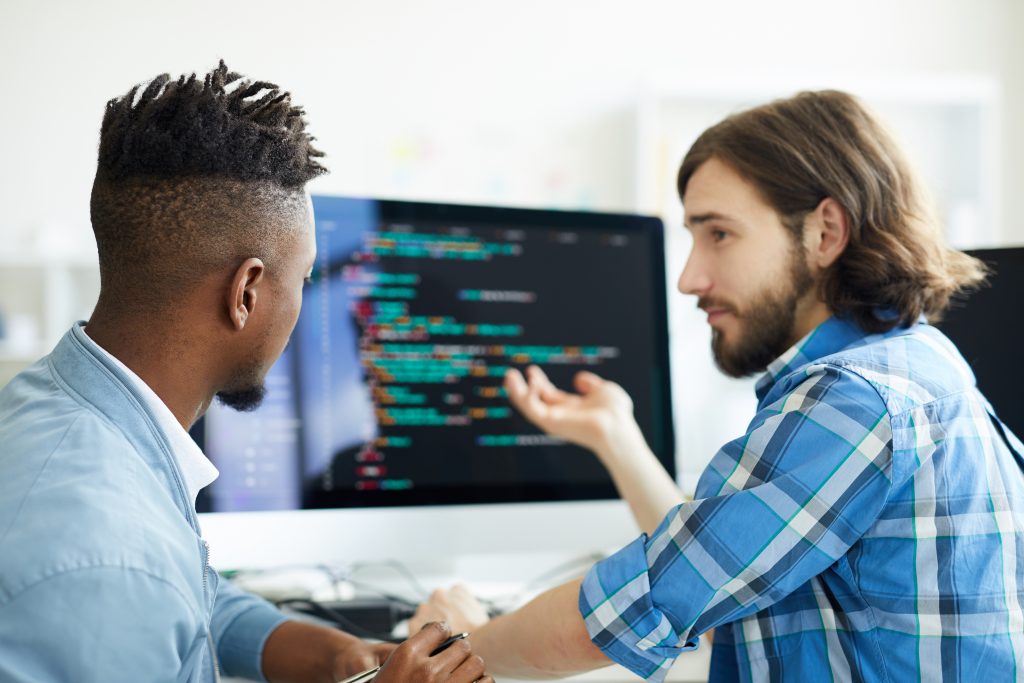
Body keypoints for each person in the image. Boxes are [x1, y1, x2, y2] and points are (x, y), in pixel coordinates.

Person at [412, 90, 1024, 681]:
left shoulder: (854, 400)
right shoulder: (914, 363)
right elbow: (721, 572)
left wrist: (451, 649)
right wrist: (616, 436)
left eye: (719, 234)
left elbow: (638, 604)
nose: (688, 277)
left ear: (825, 232)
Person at [0, 61, 492, 683]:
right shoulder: (107, 556)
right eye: (304, 280)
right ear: (247, 293)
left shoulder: (65, 405)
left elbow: (189, 597)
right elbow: (138, 580)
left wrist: (340, 656)